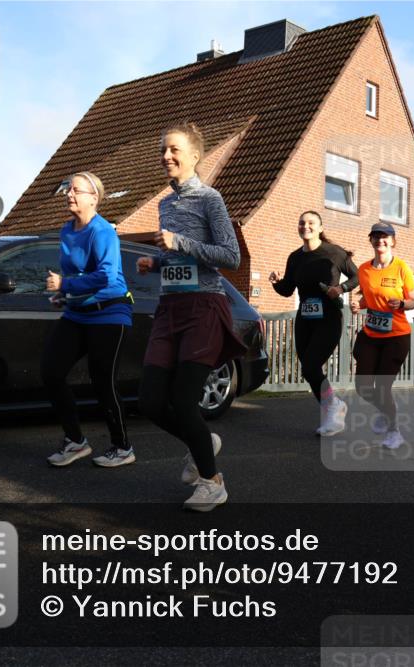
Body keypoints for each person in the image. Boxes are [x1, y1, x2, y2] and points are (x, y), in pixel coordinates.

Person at [136, 122, 245, 512]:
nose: (166, 156)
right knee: (149, 401)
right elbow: (179, 257)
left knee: (183, 402)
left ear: (195, 156)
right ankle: (200, 441)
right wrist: (158, 261)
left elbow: (230, 256)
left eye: (174, 150)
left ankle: (212, 481)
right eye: (163, 150)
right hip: (170, 307)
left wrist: (178, 242)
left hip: (203, 305)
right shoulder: (165, 204)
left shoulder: (210, 199)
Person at [42, 171, 135, 468]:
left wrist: (65, 286)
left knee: (102, 381)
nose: (69, 194)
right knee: (51, 371)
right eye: (68, 189)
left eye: (76, 190)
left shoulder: (103, 231)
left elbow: (105, 276)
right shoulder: (67, 231)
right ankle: (76, 441)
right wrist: (64, 295)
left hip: (110, 313)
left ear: (93, 197)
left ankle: (122, 447)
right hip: (77, 313)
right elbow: (74, 274)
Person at [269, 211, 359, 436]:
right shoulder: (295, 257)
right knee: (309, 369)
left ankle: (332, 408)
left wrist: (341, 289)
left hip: (329, 317)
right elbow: (288, 289)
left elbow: (358, 277)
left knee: (310, 365)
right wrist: (276, 282)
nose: (305, 226)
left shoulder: (334, 253)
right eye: (302, 223)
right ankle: (333, 408)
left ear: (320, 227)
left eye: (311, 223)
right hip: (305, 318)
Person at [350, 223, 414, 449]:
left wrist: (402, 303)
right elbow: (369, 297)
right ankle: (383, 411)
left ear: (393, 241)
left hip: (396, 336)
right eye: (376, 236)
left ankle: (394, 431)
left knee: (382, 387)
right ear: (371, 241)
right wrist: (358, 305)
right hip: (371, 333)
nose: (380, 240)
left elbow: (413, 301)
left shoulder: (401, 268)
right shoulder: (364, 270)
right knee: (362, 386)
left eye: (385, 237)